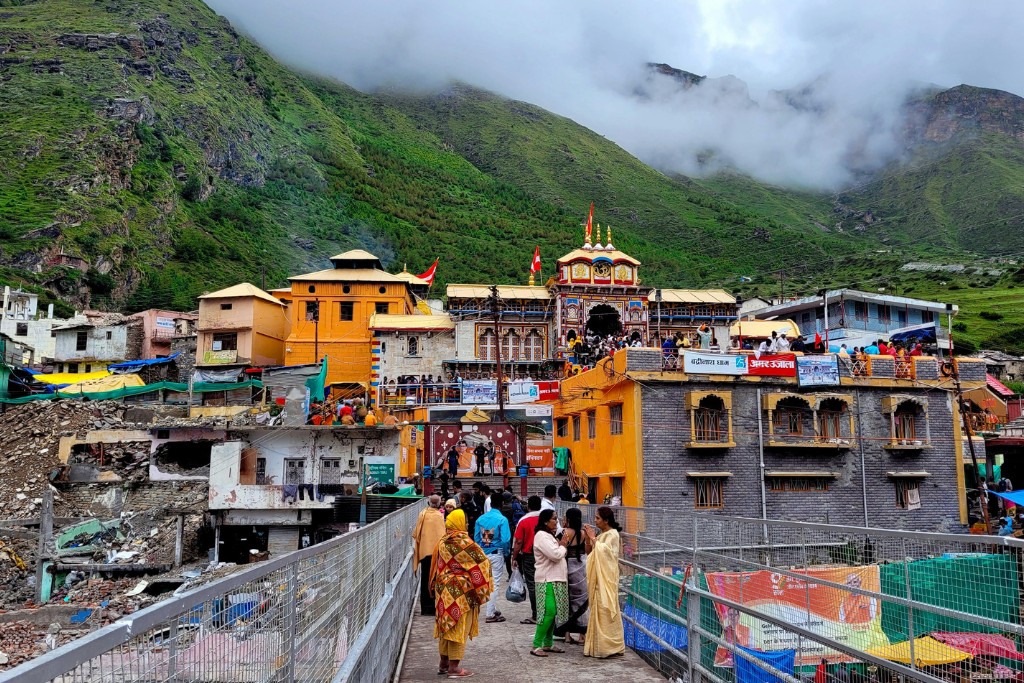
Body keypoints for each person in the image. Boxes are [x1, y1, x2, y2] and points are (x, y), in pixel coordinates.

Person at [430, 508, 494, 678]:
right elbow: (482, 562)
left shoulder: (443, 540)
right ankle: (454, 668)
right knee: (458, 626)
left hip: (444, 589)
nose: (466, 523)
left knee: (446, 625)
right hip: (461, 591)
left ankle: (443, 664)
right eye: (464, 520)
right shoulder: (463, 541)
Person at [584, 506, 625, 658]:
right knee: (598, 609)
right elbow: (590, 552)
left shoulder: (613, 534)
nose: (595, 521)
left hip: (607, 578)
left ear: (606, 521)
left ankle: (610, 646)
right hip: (597, 579)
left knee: (606, 608)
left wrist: (593, 537)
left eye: (597, 518)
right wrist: (589, 538)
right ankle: (598, 646)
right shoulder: (602, 535)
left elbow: (607, 554)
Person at [531, 509, 570, 657]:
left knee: (553, 613)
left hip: (555, 578)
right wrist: (563, 545)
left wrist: (560, 545)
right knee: (549, 611)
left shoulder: (548, 535)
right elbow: (555, 555)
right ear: (546, 521)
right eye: (554, 519)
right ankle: (536, 644)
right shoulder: (541, 536)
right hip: (547, 579)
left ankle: (547, 643)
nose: (556, 521)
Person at [554, 507, 591, 645]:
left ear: (568, 518)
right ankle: (582, 635)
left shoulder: (564, 533)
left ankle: (567, 635)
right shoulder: (583, 533)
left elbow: (558, 549)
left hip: (566, 567)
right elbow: (587, 551)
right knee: (582, 602)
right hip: (581, 568)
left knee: (566, 600)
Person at [475, 492, 511, 623]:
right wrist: (507, 553)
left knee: (486, 582)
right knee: (495, 583)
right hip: (497, 553)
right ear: (501, 504)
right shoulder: (502, 520)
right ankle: (490, 613)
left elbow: (477, 538)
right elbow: (506, 539)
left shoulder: (480, 519)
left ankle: (492, 607)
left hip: (483, 553)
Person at [412, 495, 446, 616]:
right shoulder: (439, 516)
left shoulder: (423, 514)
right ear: (439, 504)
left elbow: (416, 533)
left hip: (424, 552)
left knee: (425, 578)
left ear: (428, 503)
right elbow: (442, 535)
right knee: (436, 579)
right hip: (437, 552)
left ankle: (426, 608)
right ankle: (435, 606)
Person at [512, 495, 543, 624]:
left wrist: (514, 557)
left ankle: (536, 614)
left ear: (528, 506)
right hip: (544, 555)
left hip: (529, 555)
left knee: (532, 584)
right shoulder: (546, 518)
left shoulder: (524, 520)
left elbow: (518, 541)